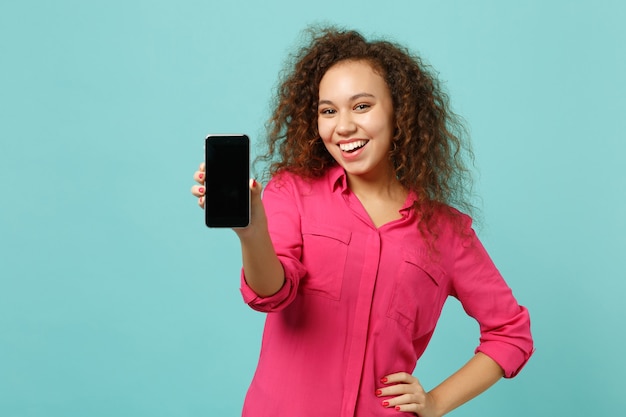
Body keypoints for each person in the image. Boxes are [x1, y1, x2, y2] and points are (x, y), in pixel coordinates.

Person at [191, 26, 533, 417]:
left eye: (362, 106)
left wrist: (436, 401)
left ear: (398, 112)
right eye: (328, 111)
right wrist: (251, 232)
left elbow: (511, 332)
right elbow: (271, 293)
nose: (344, 127)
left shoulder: (446, 232)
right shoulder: (293, 192)